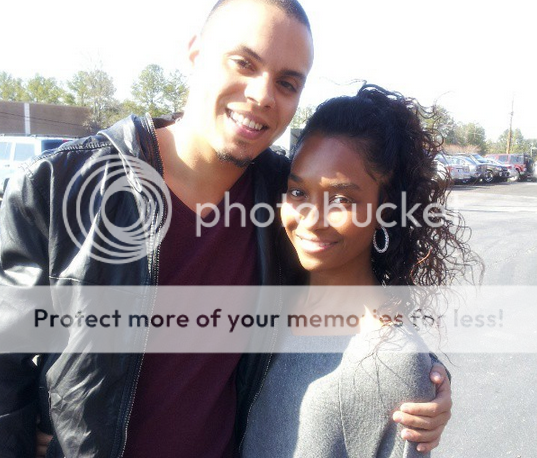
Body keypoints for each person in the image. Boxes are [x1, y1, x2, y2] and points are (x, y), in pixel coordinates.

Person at [0, 1, 451, 457]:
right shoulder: (59, 184)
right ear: (196, 54)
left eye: (287, 82)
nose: (262, 95)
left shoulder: (281, 195)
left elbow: (347, 279)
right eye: (244, 63)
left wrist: (419, 372)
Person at [242, 84, 480, 457]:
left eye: (341, 199)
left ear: (385, 211)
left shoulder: (394, 362)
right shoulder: (266, 294)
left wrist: (419, 370)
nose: (311, 220)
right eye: (299, 192)